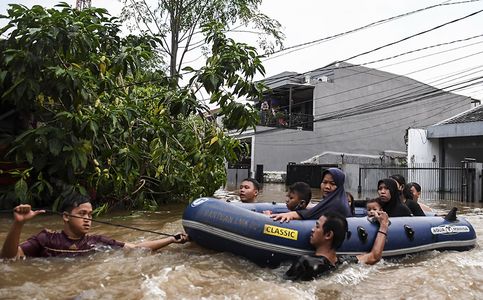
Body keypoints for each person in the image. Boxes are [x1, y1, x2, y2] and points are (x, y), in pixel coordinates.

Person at [0, 194, 189, 259]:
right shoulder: (45, 239)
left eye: (90, 215)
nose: (88, 219)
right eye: (82, 214)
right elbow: (9, 258)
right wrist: (18, 224)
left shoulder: (96, 242)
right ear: (66, 216)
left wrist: (171, 239)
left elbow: (136, 248)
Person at [284, 211, 389, 281]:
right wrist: (383, 225)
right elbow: (374, 256)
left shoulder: (305, 262)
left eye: (317, 226)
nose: (312, 230)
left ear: (328, 235)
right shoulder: (343, 263)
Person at [271, 168, 352, 222]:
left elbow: (310, 214)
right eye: (324, 182)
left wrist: (290, 214)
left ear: (339, 186)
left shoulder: (336, 204)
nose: (327, 186)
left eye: (332, 184)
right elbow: (318, 209)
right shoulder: (336, 199)